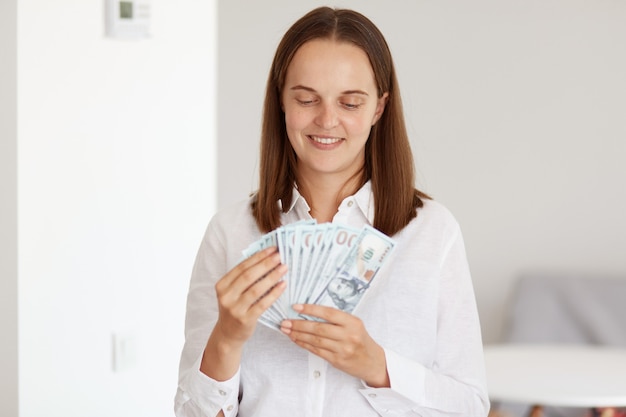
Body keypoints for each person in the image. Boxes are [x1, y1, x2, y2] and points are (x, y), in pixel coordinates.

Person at [175, 6, 489, 417]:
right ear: (282, 103)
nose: (327, 120)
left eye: (351, 103)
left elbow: (470, 404)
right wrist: (227, 340)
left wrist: (378, 366)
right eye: (306, 99)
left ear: (379, 108)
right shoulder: (231, 233)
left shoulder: (432, 231)